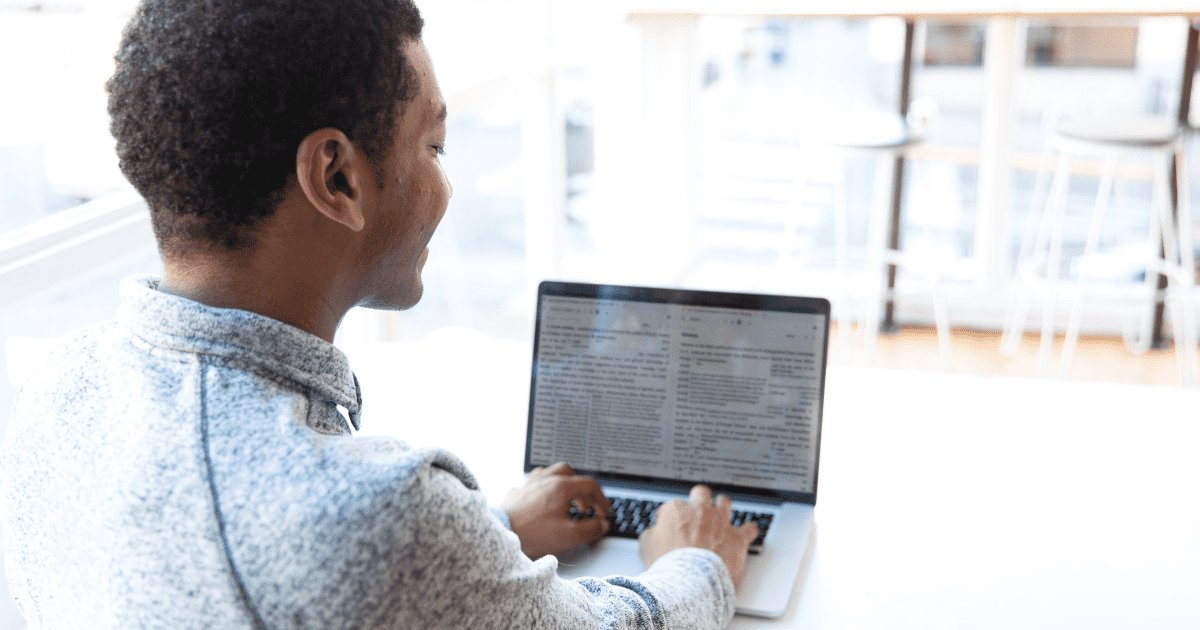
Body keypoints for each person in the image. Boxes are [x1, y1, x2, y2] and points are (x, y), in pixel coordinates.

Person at [0, 0, 759, 628]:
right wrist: (699, 562)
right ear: (336, 176)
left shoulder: (49, 393)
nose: (446, 188)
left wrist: (485, 537)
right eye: (434, 144)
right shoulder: (381, 510)